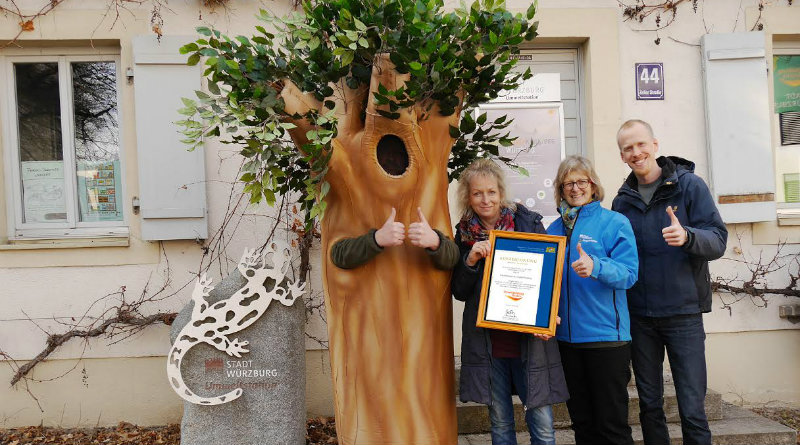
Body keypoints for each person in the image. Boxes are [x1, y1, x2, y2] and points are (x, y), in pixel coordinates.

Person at [612, 119, 727, 445]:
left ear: (655, 145)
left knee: (692, 408)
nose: (636, 153)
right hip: (640, 318)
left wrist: (688, 236)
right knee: (649, 406)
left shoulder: (690, 186)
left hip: (683, 314)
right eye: (628, 148)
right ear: (622, 156)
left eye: (640, 144)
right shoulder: (622, 200)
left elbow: (718, 240)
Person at [451, 158, 569, 445]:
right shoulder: (464, 235)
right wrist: (470, 259)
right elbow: (459, 291)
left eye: (491, 192)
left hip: (529, 341)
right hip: (489, 343)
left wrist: (548, 315)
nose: (485, 199)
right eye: (478, 193)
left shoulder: (527, 223)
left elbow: (549, 277)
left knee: (541, 424)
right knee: (501, 424)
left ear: (500, 193)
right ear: (468, 196)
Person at [545, 155, 639, 445]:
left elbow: (629, 274)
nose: (575, 188)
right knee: (582, 424)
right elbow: (547, 285)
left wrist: (596, 267)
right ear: (561, 190)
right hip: (567, 343)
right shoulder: (553, 230)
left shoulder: (614, 222)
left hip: (606, 340)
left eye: (581, 181)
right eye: (568, 183)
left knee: (611, 426)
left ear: (593, 184)